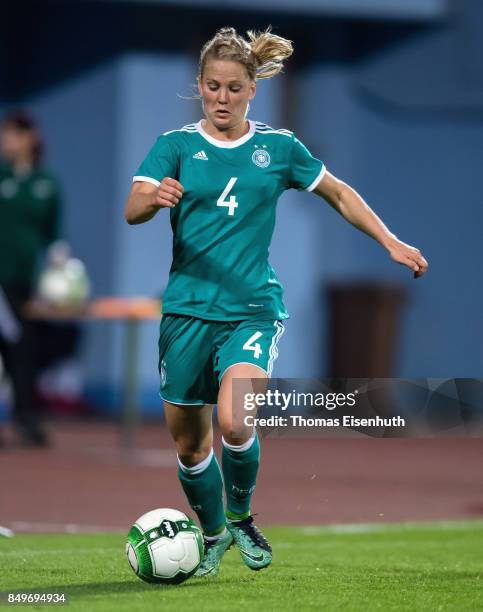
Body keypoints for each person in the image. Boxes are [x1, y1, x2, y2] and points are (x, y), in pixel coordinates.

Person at [124, 26, 428, 577]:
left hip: (252, 309)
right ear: (199, 86)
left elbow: (338, 192)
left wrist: (391, 241)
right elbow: (134, 205)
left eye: (234, 88)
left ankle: (239, 516)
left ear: (252, 90)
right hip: (187, 313)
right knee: (192, 448)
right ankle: (213, 535)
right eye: (213, 87)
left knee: (236, 421)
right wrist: (154, 199)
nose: (222, 98)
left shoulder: (278, 148)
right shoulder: (175, 146)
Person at [0, 111, 61, 446]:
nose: (6, 141)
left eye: (12, 134)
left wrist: (60, 263)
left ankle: (25, 417)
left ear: (29, 138)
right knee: (17, 344)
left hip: (23, 280)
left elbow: (52, 234)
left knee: (20, 348)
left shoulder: (46, 183)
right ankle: (26, 417)